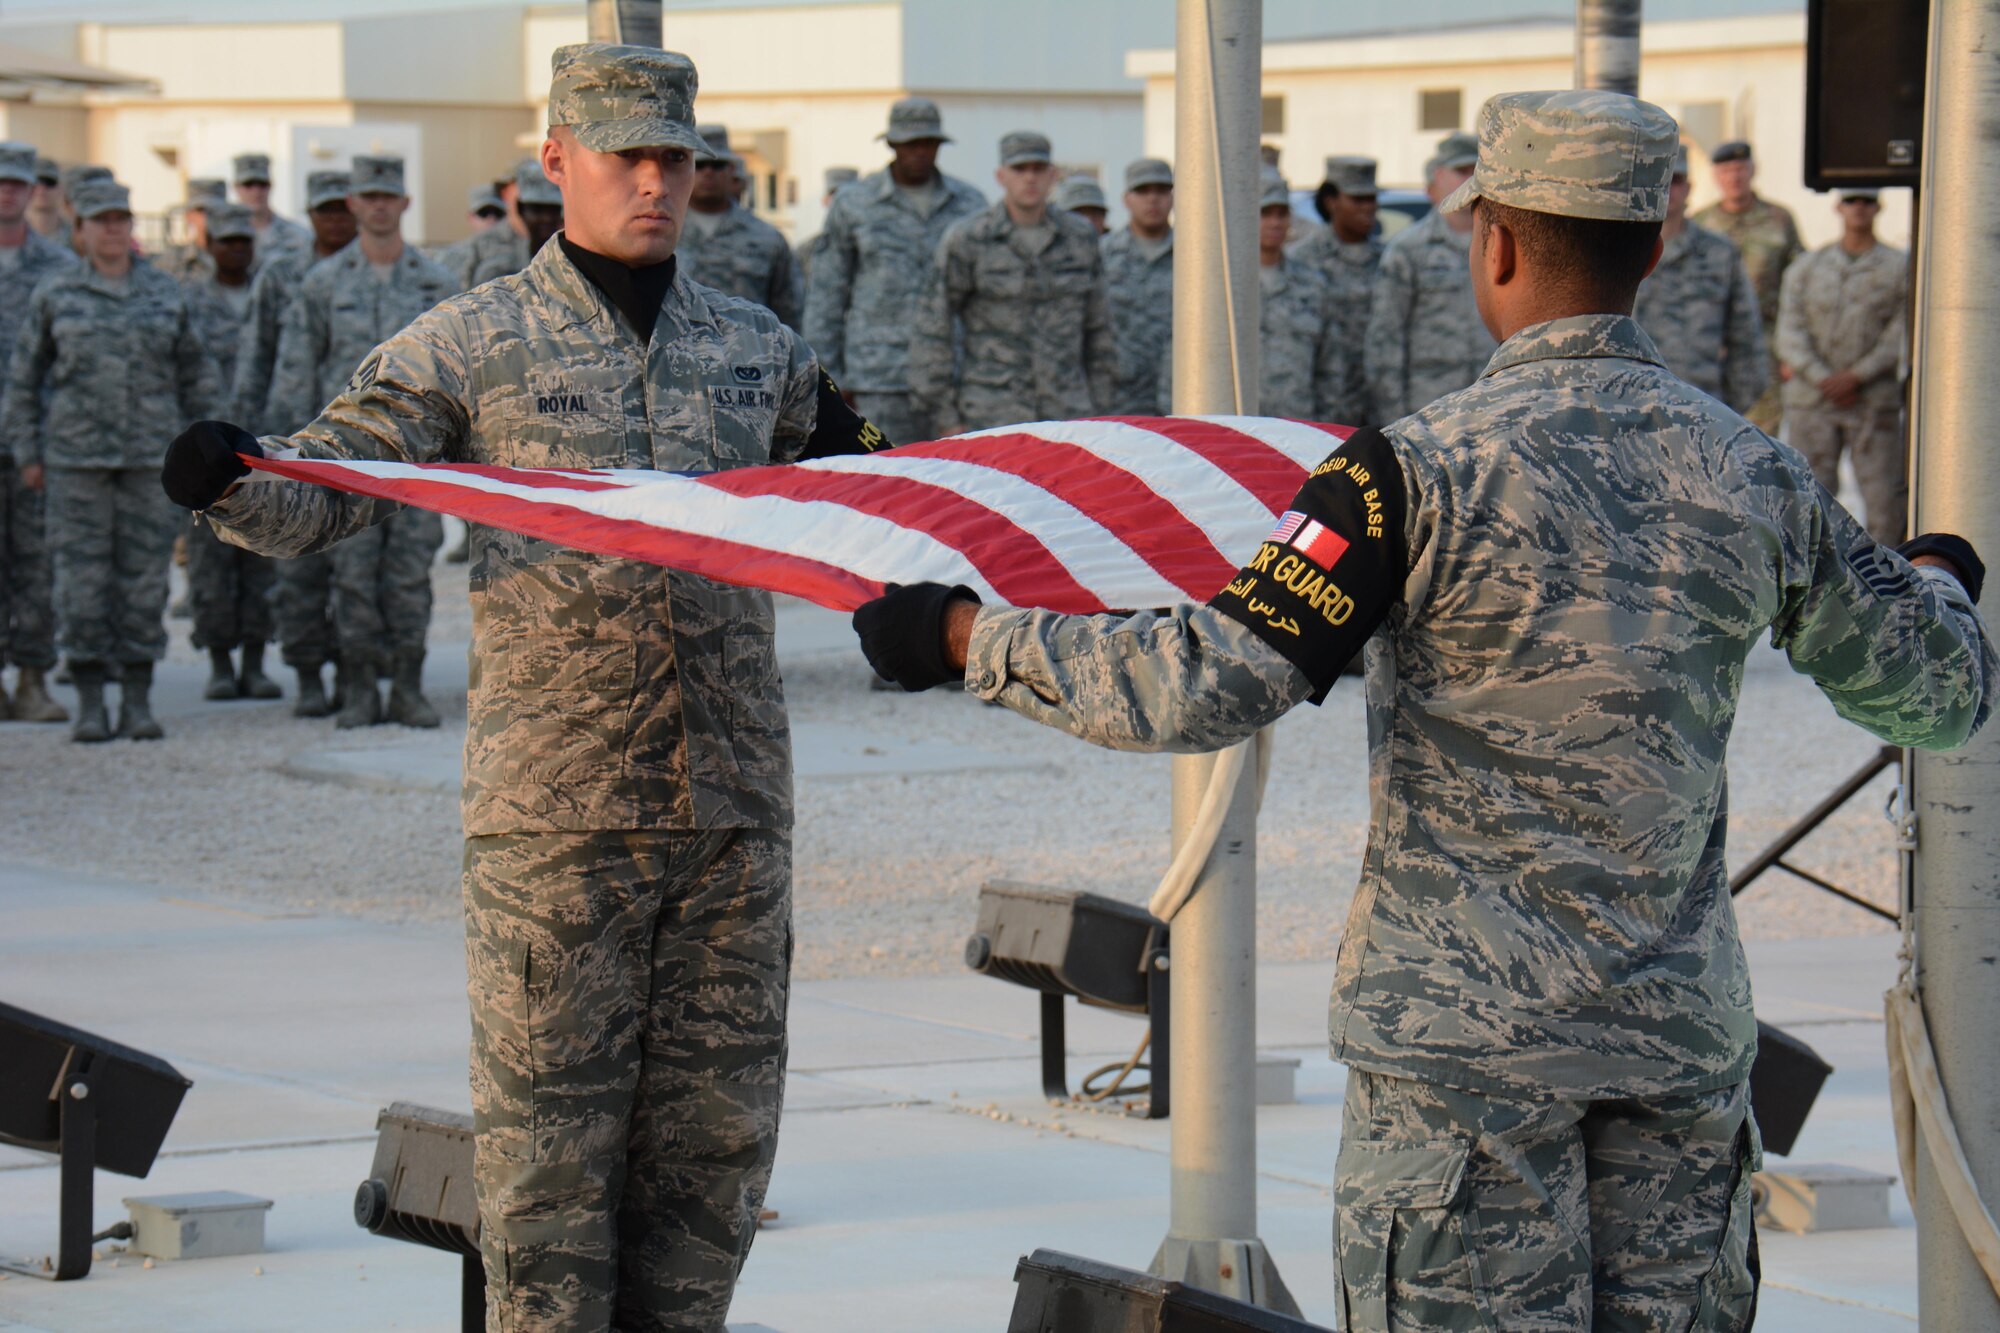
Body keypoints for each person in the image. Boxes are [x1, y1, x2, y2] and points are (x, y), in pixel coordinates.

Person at [850, 89, 1997, 1330]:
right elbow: (1934, 691)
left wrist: (964, 635)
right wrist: (1935, 573)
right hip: (1669, 1061)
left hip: (1461, 1073)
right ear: (1655, 247)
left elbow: (1200, 680)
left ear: (1491, 244)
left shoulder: (1405, 472)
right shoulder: (1750, 468)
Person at [165, 42, 890, 1328]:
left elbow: (870, 491)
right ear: (555, 163)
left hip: (731, 819)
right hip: (559, 825)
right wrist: (230, 481)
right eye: (626, 157)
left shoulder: (752, 346)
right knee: (550, 1186)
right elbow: (332, 483)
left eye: (675, 158)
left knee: (712, 1165)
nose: (655, 183)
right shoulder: (472, 342)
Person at [5, 177, 216, 742]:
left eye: (121, 219)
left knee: (144, 581)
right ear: (80, 230)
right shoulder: (56, 294)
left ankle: (138, 698)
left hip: (150, 462)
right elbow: (24, 382)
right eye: (101, 220)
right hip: (76, 465)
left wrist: (205, 453)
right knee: (80, 583)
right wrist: (28, 451)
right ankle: (93, 698)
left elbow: (197, 377)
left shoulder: (165, 292)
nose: (113, 229)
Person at [266, 154, 459, 728]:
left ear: (404, 204)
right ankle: (356, 687)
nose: (378, 206)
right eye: (367, 196)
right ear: (353, 205)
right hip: (344, 461)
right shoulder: (322, 284)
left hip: (415, 461)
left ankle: (406, 684)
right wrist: (289, 454)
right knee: (351, 577)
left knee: (407, 577)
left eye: (388, 196)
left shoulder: (437, 282)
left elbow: (456, 372)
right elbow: (297, 369)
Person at [229, 170, 355, 716]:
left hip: (364, 446)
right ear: (309, 215)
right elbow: (257, 355)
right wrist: (246, 432)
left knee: (356, 570)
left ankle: (357, 670)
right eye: (324, 210)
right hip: (293, 441)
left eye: (340, 209)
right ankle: (306, 672)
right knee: (298, 565)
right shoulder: (283, 274)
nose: (334, 220)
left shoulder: (369, 272)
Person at [806, 97, 986, 447]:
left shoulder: (970, 205)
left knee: (960, 485)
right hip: (877, 379)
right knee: (884, 483)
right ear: (891, 144)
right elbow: (827, 296)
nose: (919, 151)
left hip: (954, 380)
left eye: (928, 143)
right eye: (909, 143)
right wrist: (831, 380)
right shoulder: (855, 203)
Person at [910, 130, 1114, 436]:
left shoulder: (1079, 238)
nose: (1029, 179)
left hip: (1068, 413)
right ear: (1001, 176)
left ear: (1052, 175)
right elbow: (933, 327)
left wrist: (1100, 410)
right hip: (990, 414)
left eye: (1038, 169)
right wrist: (946, 415)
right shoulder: (970, 238)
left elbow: (1100, 329)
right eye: (1019, 170)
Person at [180, 202, 280, 702]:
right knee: (210, 561)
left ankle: (257, 662)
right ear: (209, 245)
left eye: (244, 241)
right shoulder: (189, 301)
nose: (236, 249)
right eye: (226, 241)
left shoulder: (270, 293)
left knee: (261, 553)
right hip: (205, 450)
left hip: (260, 445)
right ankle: (220, 663)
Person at [1777, 189, 1910, 545]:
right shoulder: (1807, 268)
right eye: (1852, 201)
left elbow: (1902, 330)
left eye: (1867, 201)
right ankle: (1813, 587)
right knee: (1808, 501)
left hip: (1871, 401)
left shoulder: (1900, 268)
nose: (1859, 208)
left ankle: (1888, 584)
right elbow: (1789, 332)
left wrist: (1857, 376)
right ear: (1838, 207)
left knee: (1884, 503)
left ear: (1879, 207)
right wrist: (1823, 377)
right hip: (1813, 400)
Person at [0, 140, 77, 723]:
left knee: (36, 564)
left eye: (17, 184)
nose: (7, 192)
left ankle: (31, 678)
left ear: (31, 192)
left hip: (35, 444)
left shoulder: (58, 270)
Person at [1157, 174, 1337, 420]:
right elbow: (1177, 365)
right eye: (1265, 214)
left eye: (1281, 214)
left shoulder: (1313, 284)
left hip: (1295, 427)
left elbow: (1329, 367)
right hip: (1232, 430)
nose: (1275, 223)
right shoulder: (1216, 287)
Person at [1364, 131, 1496, 421]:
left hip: (1491, 405)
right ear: (1438, 176)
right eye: (1461, 170)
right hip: (1430, 409)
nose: (1469, 179)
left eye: (1475, 171)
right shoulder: (1408, 250)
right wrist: (1394, 421)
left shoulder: (1501, 243)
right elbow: (1385, 341)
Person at [1633, 145, 1769, 414]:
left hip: (1702, 408)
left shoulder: (1720, 253)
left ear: (1689, 189)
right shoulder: (1621, 250)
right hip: (1632, 408)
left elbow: (1745, 337)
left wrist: (1729, 411)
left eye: (1677, 181)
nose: (1668, 189)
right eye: (1660, 180)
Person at [1692, 141, 1803, 435]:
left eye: (1740, 168)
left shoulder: (1780, 220)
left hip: (1766, 344)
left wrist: (1790, 352)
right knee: (1708, 432)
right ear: (1716, 175)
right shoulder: (1700, 224)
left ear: (1754, 170)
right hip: (1711, 347)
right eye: (1726, 170)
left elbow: (1797, 288)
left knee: (1761, 436)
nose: (1734, 177)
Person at [676, 129, 802, 329]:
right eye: (699, 165)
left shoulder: (766, 238)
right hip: (675, 354)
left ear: (732, 170)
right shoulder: (660, 231)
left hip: (750, 354)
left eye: (717, 165)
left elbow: (790, 312)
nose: (708, 172)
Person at [1290, 155, 1382, 426]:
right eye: (1357, 199)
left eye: (1371, 199)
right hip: (1327, 405)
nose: (1368, 208)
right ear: (1331, 201)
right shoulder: (1301, 260)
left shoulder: (1390, 259)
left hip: (1377, 400)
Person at [1100, 157, 1174, 416]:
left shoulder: (1196, 259)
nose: (1152, 200)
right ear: (1126, 199)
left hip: (1179, 397)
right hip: (1118, 397)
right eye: (1142, 191)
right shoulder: (1103, 255)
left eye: (1161, 191)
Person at [469, 161, 564, 285]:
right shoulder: (481, 246)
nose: (546, 218)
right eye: (536, 209)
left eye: (553, 209)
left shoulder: (565, 248)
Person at [448, 161, 532, 289]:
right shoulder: (469, 250)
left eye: (498, 213)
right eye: (484, 213)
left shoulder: (544, 238)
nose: (491, 219)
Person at [793, 164, 858, 302]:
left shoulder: (874, 249)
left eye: (847, 196)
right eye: (835, 195)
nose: (841, 203)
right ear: (825, 201)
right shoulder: (805, 253)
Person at [231, 152, 310, 266]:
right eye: (248, 185)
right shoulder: (225, 239)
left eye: (262, 185)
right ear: (236, 187)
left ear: (271, 186)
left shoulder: (299, 236)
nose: (256, 192)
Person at [160, 178, 227, 283]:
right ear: (189, 216)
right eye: (201, 210)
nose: (208, 217)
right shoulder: (173, 260)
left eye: (215, 210)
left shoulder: (241, 257)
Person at [27, 156, 67, 245]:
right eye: (34, 182)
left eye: (49, 182)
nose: (41, 189)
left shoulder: (77, 237)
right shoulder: (9, 235)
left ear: (61, 189)